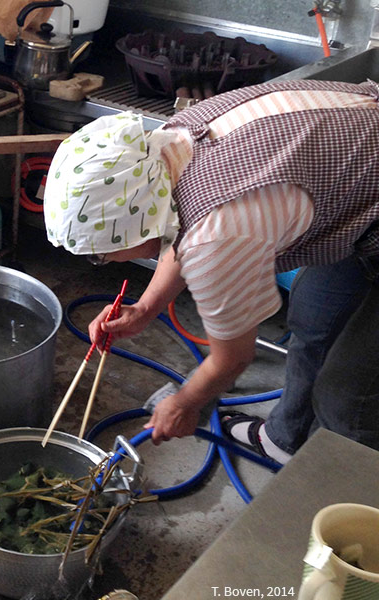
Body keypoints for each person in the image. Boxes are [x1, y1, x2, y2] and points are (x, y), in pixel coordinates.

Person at [43, 79, 379, 464]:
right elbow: (179, 227)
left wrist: (185, 402)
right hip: (360, 189)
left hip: (366, 192)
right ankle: (283, 441)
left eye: (101, 255)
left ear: (130, 227)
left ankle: (352, 509)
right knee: (314, 321)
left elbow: (232, 358)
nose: (108, 261)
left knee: (349, 399)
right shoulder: (166, 148)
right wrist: (146, 307)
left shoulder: (217, 238)